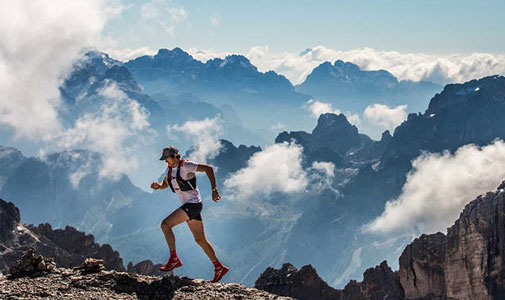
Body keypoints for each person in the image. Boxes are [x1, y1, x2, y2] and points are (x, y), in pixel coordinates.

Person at [150, 146, 229, 283]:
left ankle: (174, 258)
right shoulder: (169, 170)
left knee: (165, 224)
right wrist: (158, 186)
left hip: (193, 205)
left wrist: (214, 189)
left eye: (167, 158)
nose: (165, 161)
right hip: (191, 207)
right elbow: (166, 184)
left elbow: (209, 169)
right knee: (200, 240)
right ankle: (219, 267)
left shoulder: (186, 165)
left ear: (175, 156)